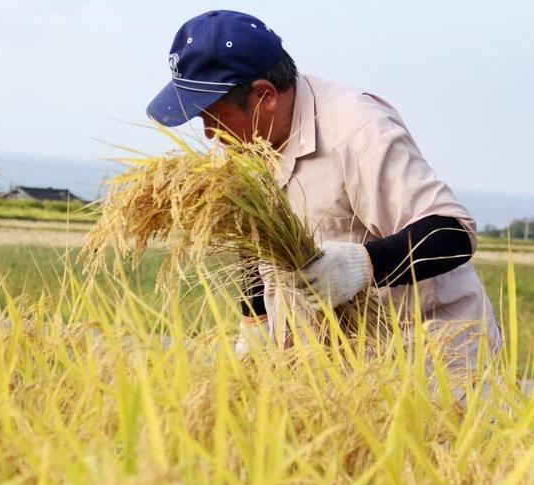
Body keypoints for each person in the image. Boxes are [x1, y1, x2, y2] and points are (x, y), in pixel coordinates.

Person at [146, 10, 501, 370]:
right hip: (336, 367)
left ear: (264, 96)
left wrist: (361, 266)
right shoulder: (243, 143)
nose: (208, 134)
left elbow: (453, 232)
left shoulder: (358, 129)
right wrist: (254, 327)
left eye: (212, 115)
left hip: (432, 359)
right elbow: (254, 245)